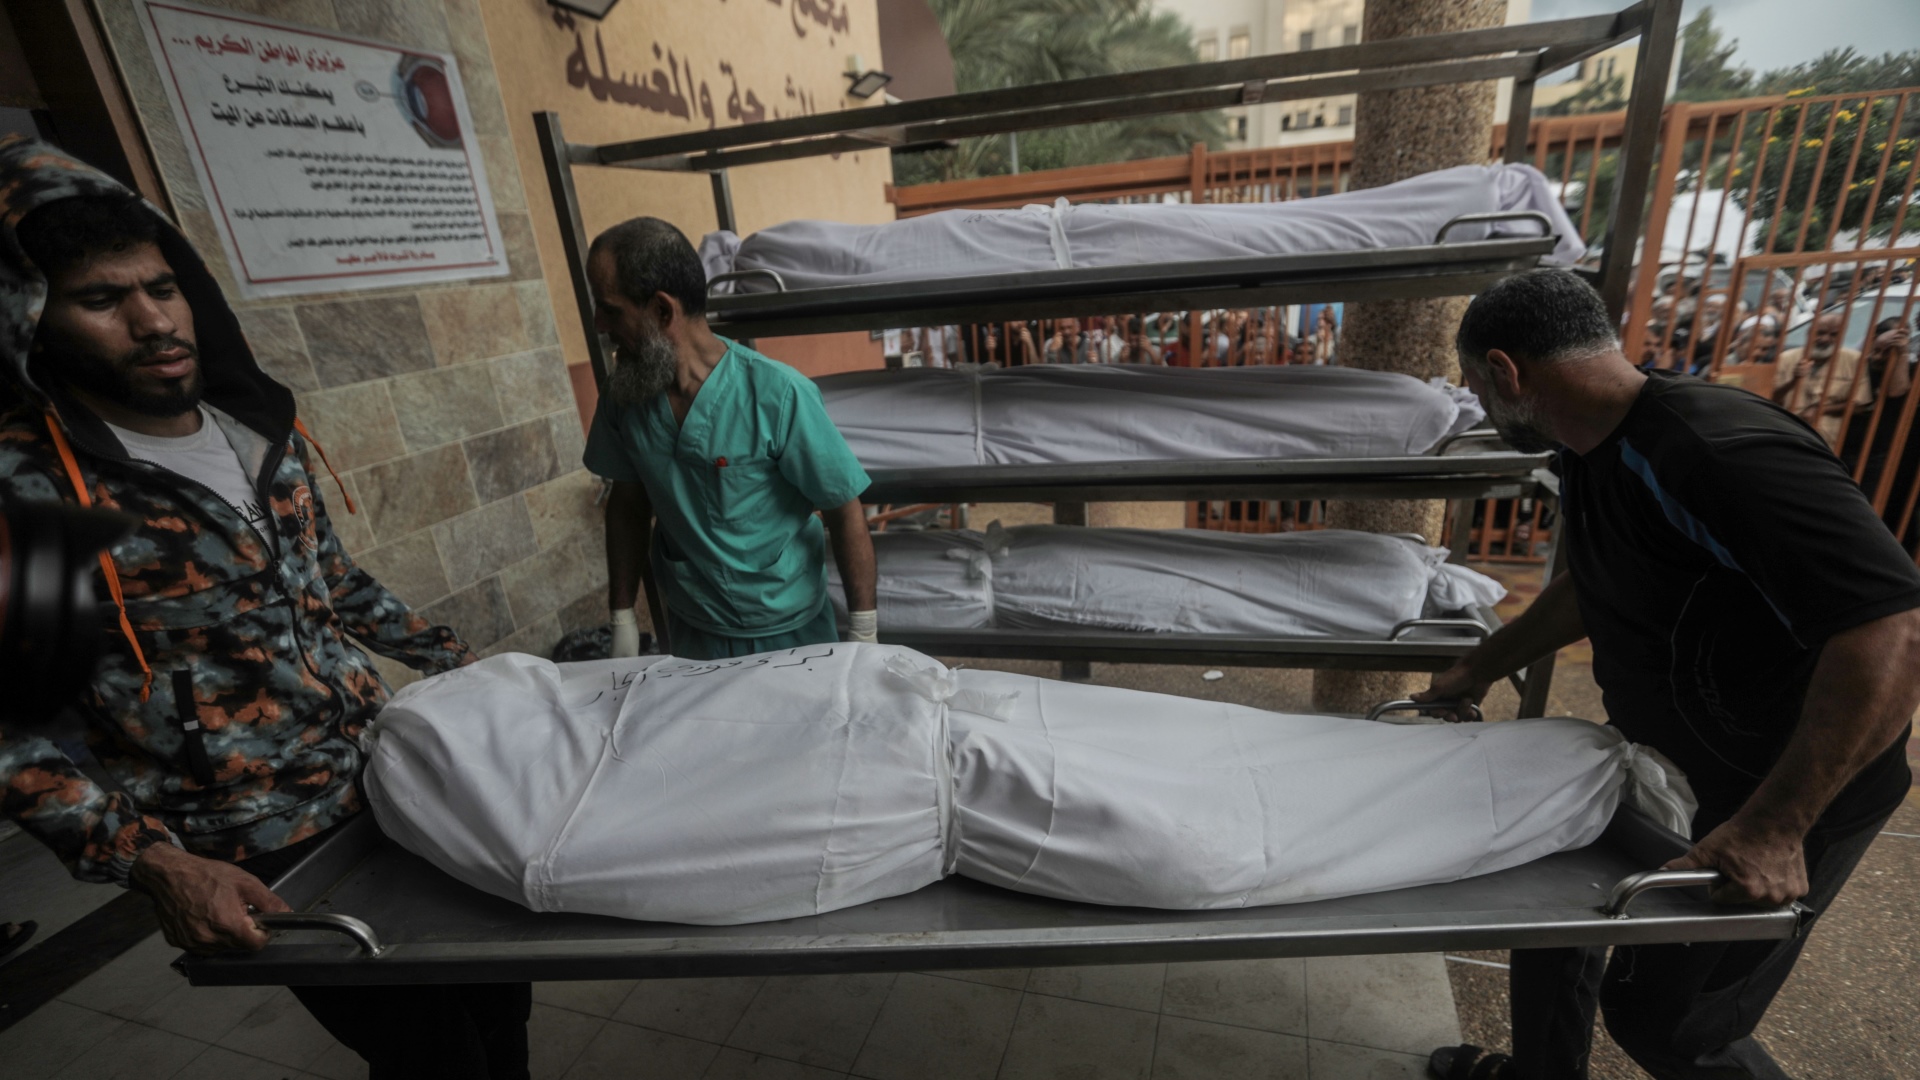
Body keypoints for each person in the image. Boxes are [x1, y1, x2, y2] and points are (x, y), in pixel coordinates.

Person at [0, 137, 522, 1077]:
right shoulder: (32, 492)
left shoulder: (255, 436)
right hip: (260, 845)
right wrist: (151, 863)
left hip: (393, 777)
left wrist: (468, 663)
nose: (153, 320)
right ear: (35, 320)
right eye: (102, 299)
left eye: (162, 288)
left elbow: (340, 587)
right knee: (434, 1058)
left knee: (502, 998)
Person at [1419, 269, 1920, 1080]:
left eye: (1476, 387)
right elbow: (1597, 580)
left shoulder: (1716, 452)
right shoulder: (1592, 443)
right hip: (1668, 760)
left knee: (1668, 1020)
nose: (1479, 404)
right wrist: (1479, 667)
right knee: (1550, 912)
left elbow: (1892, 632)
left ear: (1507, 372)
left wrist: (1775, 825)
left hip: (1783, 789)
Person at [584, 217, 878, 662]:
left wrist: (864, 630)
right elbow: (628, 503)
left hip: (788, 629)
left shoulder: (778, 395)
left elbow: (843, 508)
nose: (599, 323)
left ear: (663, 311)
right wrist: (622, 614)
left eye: (610, 309)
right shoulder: (625, 397)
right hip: (692, 626)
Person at [1772, 311, 1872, 443]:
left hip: (1827, 441)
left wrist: (1820, 409)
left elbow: (1860, 405)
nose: (1825, 339)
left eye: (1833, 335)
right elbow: (1771, 398)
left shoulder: (1854, 361)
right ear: (1809, 333)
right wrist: (1793, 381)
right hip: (1786, 435)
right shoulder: (1786, 358)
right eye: (1820, 333)